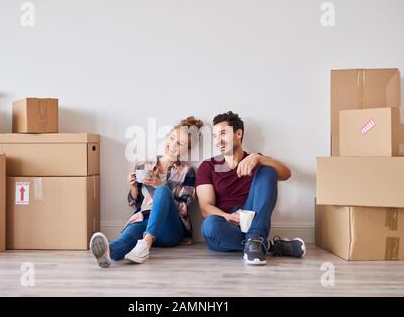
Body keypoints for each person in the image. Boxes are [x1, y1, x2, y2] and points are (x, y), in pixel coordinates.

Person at [90, 117, 203, 267]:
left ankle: (146, 244)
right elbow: (134, 203)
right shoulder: (143, 165)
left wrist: (160, 185)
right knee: (127, 238)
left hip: (170, 229)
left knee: (162, 190)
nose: (172, 145)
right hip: (144, 220)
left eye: (180, 143)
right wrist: (133, 186)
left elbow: (183, 209)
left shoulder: (188, 172)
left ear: (187, 149)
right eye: (172, 138)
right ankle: (108, 253)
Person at [196, 111, 305, 266]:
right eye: (214, 136)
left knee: (268, 170)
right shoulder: (207, 167)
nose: (218, 140)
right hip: (225, 224)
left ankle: (255, 237)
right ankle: (266, 245)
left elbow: (286, 174)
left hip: (253, 219)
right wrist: (227, 216)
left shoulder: (254, 160)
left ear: (238, 133)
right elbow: (206, 208)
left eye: (222, 134)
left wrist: (259, 158)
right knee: (209, 226)